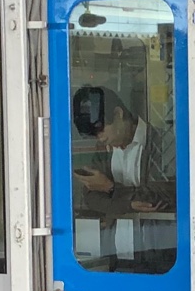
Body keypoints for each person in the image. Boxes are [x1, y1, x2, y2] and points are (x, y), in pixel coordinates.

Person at [74, 88, 174, 216]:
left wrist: (110, 188)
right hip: (116, 233)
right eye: (94, 135)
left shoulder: (161, 142)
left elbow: (162, 197)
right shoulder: (104, 149)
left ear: (118, 114)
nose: (100, 138)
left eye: (101, 129)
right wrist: (128, 204)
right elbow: (91, 198)